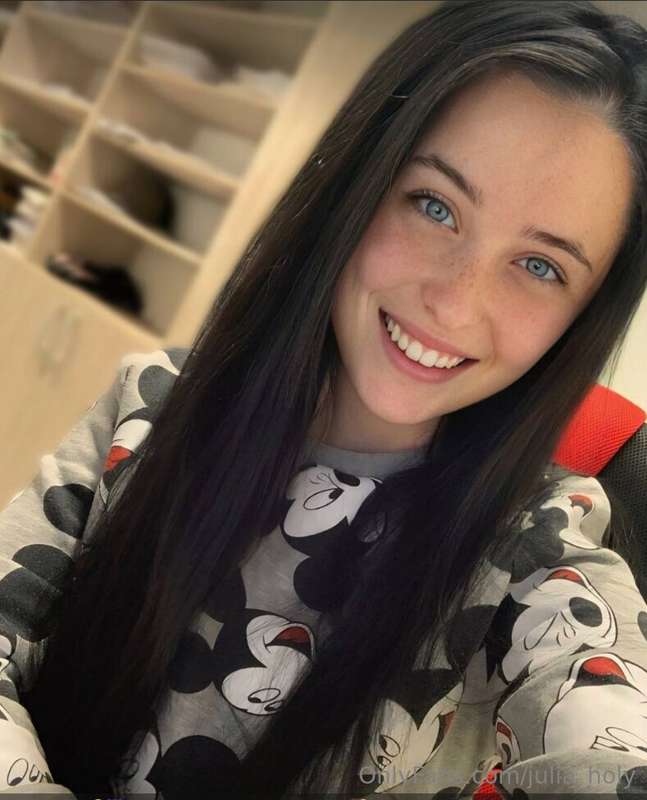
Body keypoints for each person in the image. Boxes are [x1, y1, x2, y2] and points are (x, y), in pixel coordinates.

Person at [1, 0, 647, 796]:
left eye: (540, 267)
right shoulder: (153, 406)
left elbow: (607, 741)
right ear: (359, 184)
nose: (454, 304)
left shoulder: (533, 555)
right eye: (434, 206)